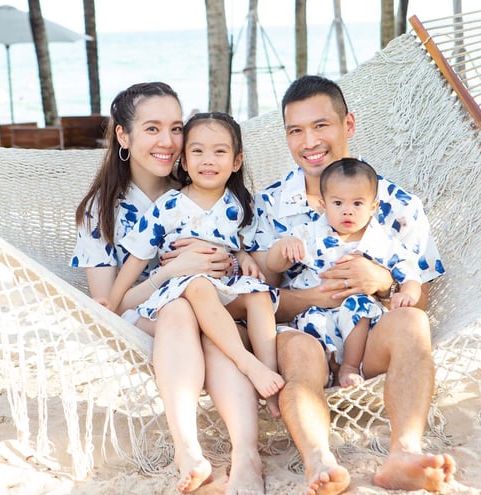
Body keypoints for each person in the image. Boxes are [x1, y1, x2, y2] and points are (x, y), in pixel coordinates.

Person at [252, 75, 456, 494]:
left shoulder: (398, 205)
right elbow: (249, 299)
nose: (309, 141)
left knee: (414, 326)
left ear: (349, 125)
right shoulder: (269, 205)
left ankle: (403, 452)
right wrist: (310, 297)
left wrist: (382, 281)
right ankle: (319, 462)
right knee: (296, 351)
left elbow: (422, 298)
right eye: (295, 130)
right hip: (304, 334)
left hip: (371, 337)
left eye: (321, 125)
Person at [73, 83, 265, 494]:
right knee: (180, 308)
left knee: (209, 325)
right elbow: (111, 304)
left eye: (176, 128)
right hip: (147, 318)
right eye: (153, 128)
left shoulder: (205, 179)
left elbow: (242, 245)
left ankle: (246, 458)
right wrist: (172, 273)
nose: (168, 141)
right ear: (123, 136)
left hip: (214, 307)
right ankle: (188, 450)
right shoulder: (101, 211)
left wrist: (227, 261)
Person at [103, 111, 284, 415]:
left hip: (225, 288)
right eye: (197, 151)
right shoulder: (169, 206)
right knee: (199, 285)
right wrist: (112, 301)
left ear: (236, 162)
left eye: (219, 152)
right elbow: (137, 258)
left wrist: (244, 257)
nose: (208, 160)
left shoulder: (240, 204)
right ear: (184, 162)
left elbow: (242, 242)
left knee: (259, 294)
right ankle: (246, 362)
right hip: (183, 290)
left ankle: (271, 376)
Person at [266, 158, 422, 389]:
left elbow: (410, 273)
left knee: (360, 306)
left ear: (373, 207)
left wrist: (407, 293)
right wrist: (284, 247)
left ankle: (349, 366)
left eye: (358, 203)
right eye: (338, 203)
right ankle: (328, 371)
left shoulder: (381, 242)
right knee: (312, 321)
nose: (347, 210)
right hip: (316, 310)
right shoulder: (310, 234)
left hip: (357, 319)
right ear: (323, 204)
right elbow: (273, 265)